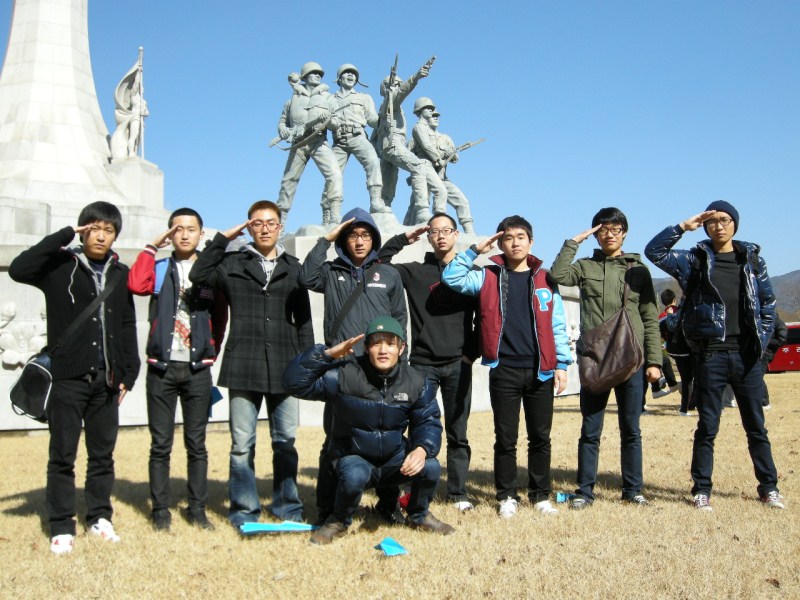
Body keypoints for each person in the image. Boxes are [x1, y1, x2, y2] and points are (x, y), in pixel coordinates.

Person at [9, 201, 140, 554]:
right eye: (93, 228)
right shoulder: (59, 266)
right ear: (83, 231)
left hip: (107, 381)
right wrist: (65, 235)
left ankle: (99, 517)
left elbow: (126, 323)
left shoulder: (119, 272)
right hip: (67, 379)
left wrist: (129, 372)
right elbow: (19, 268)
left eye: (108, 230)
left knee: (102, 456)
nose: (101, 235)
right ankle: (62, 525)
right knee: (62, 455)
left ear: (115, 236)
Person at [645, 200, 784, 511]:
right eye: (712, 221)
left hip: (747, 357)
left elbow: (767, 305)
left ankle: (769, 487)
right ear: (705, 226)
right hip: (710, 356)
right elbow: (654, 252)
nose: (719, 226)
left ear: (735, 223)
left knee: (756, 426)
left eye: (725, 220)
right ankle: (702, 490)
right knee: (707, 426)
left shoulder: (752, 260)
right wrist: (683, 227)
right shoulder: (695, 260)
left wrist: (760, 343)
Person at [189, 200, 314, 527]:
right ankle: (244, 510)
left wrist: (307, 364)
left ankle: (287, 507)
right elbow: (198, 273)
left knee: (285, 442)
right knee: (242, 445)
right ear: (249, 227)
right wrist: (223, 239)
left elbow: (304, 320)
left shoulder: (294, 267)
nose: (264, 229)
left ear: (280, 227)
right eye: (257, 223)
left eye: (270, 223)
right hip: (243, 363)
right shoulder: (232, 263)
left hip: (286, 364)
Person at [283, 316, 454, 544]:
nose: (383, 350)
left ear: (401, 348)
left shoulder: (415, 381)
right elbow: (293, 383)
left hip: (393, 460)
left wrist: (421, 449)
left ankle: (419, 515)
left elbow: (428, 421)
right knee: (354, 474)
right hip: (355, 459)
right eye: (376, 343)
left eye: (390, 344)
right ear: (366, 347)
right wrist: (328, 355)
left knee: (430, 466)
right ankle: (338, 521)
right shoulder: (345, 374)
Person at [443, 215, 571, 518]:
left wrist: (562, 363)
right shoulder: (488, 276)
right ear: (500, 243)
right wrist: (475, 250)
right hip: (505, 370)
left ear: (531, 242)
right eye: (508, 238)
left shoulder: (545, 279)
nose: (515, 243)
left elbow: (557, 325)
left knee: (540, 437)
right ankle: (506, 496)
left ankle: (540, 495)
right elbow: (452, 278)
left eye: (520, 237)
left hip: (541, 370)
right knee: (506, 438)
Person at [298, 207, 408, 524]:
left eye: (365, 235)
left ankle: (388, 503)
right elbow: (305, 277)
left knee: (387, 438)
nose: (359, 241)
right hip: (343, 369)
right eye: (353, 235)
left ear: (374, 239)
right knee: (335, 439)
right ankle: (327, 507)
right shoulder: (330, 272)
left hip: (380, 369)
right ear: (344, 240)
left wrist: (400, 362)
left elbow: (400, 320)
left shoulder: (389, 274)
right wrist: (325, 239)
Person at [550, 207, 662, 509]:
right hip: (595, 359)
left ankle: (633, 490)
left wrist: (654, 361)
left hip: (631, 359)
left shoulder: (637, 269)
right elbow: (556, 275)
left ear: (624, 233)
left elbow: (650, 317)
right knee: (590, 429)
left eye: (615, 229)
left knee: (631, 429)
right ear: (595, 235)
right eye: (603, 230)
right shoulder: (584, 266)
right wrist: (574, 242)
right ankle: (584, 491)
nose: (609, 235)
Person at [127, 208, 228, 532]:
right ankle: (160, 511)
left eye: (191, 229)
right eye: (177, 229)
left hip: (198, 370)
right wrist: (151, 247)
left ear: (201, 234)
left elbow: (220, 315)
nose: (184, 235)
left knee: (197, 443)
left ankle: (197, 509)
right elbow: (136, 285)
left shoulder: (209, 272)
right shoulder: (159, 268)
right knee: (161, 444)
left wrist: (211, 349)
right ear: (170, 233)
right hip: (162, 368)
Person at [378, 213, 480, 511]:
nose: (441, 236)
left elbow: (484, 316)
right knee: (417, 429)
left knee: (458, 431)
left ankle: (458, 494)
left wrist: (470, 353)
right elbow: (379, 265)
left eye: (446, 230)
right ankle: (414, 491)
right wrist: (402, 239)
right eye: (435, 232)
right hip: (423, 364)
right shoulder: (414, 272)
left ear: (456, 234)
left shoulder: (471, 273)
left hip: (459, 363)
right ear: (428, 237)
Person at [374, 59, 447, 219]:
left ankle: (385, 209)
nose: (397, 87)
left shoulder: (389, 107)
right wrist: (416, 77)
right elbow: (402, 92)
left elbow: (375, 135)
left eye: (399, 84)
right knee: (418, 166)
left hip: (388, 147)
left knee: (389, 181)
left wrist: (377, 152)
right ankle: (422, 210)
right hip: (392, 145)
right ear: (386, 88)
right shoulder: (390, 102)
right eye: (394, 84)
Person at [275, 62, 343, 225]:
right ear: (305, 77)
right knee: (288, 182)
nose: (318, 75)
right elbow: (283, 121)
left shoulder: (328, 98)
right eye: (314, 73)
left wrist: (327, 121)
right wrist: (283, 129)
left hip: (318, 141)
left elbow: (336, 122)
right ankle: (279, 223)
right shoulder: (292, 99)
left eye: (320, 74)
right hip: (298, 144)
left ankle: (334, 214)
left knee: (335, 174)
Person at [327, 64, 386, 214]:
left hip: (358, 136)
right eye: (347, 73)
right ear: (339, 78)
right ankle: (331, 212)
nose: (350, 75)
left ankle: (376, 200)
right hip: (339, 141)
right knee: (332, 174)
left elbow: (372, 120)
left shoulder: (363, 97)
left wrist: (384, 118)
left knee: (373, 162)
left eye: (353, 74)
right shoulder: (329, 99)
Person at [408, 105, 475, 233]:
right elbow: (408, 157)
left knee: (462, 201)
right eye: (433, 115)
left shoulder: (445, 138)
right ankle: (416, 230)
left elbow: (455, 158)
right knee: (416, 207)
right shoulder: (416, 137)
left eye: (437, 116)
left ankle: (469, 231)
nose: (436, 118)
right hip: (424, 177)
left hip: (442, 177)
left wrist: (452, 155)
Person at [659, 288, 696, 415]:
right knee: (689, 380)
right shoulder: (681, 311)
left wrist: (667, 342)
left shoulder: (661, 317)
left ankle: (688, 405)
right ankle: (686, 407)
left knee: (686, 378)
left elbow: (662, 333)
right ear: (674, 300)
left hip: (673, 351)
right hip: (686, 349)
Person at [761, 316, 787, 410]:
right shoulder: (759, 319)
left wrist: (764, 341)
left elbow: (781, 340)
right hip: (756, 352)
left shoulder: (777, 321)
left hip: (766, 353)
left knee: (758, 376)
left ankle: (765, 403)